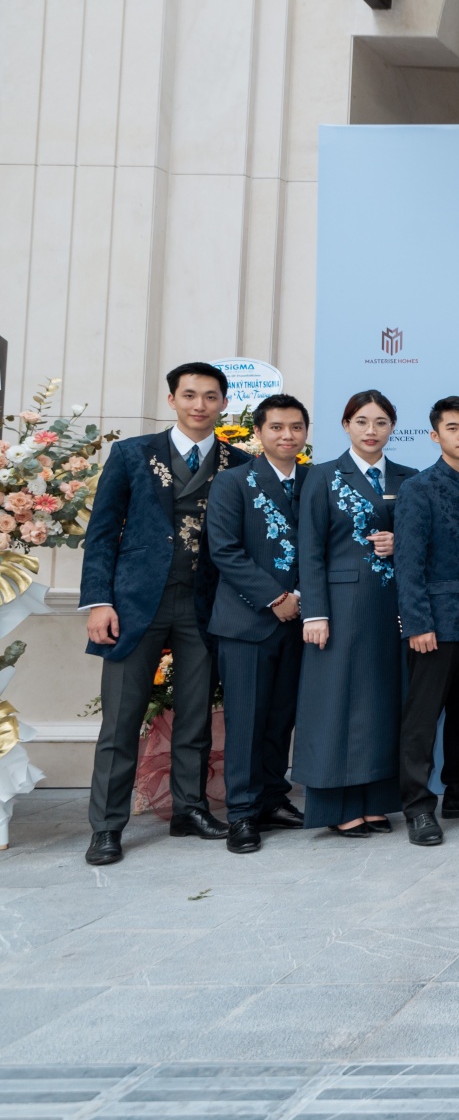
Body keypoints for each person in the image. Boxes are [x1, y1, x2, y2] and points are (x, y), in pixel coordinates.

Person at [80, 362, 245, 865]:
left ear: (224, 403)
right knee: (120, 720)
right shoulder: (131, 454)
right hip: (134, 604)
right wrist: (99, 601)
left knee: (195, 716)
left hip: (204, 604)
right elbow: (102, 532)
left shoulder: (238, 463)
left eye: (210, 396)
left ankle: (189, 809)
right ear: (172, 399)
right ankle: (107, 827)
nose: (200, 405)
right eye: (190, 395)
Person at [295, 390, 416, 836]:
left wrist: (399, 542)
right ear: (346, 425)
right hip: (341, 608)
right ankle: (339, 806)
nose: (371, 430)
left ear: (392, 428)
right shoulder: (323, 476)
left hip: (393, 607)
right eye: (362, 421)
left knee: (384, 702)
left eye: (381, 422)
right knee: (338, 703)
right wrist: (314, 613)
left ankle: (377, 801)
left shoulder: (408, 478)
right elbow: (310, 549)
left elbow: (426, 542)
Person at [205, 393, 312, 854]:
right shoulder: (233, 481)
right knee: (246, 721)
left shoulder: (315, 480)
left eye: (296, 427)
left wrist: (301, 598)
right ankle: (243, 814)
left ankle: (272, 798)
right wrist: (276, 598)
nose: (287, 435)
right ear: (259, 432)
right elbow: (224, 549)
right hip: (246, 622)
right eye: (277, 427)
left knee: (281, 719)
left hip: (301, 621)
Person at [394, 396, 459, 847]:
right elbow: (408, 563)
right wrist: (417, 623)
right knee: (422, 719)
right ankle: (417, 806)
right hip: (435, 622)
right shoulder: (419, 488)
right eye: (453, 428)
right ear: (435, 436)